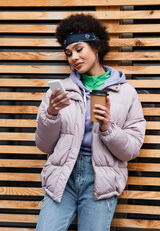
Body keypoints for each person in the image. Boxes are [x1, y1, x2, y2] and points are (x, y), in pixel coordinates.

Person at [35, 13, 146, 231]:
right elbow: (44, 145)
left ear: (96, 47)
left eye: (79, 49)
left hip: (101, 182)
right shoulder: (58, 92)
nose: (73, 57)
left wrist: (108, 128)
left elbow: (131, 150)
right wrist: (51, 115)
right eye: (68, 53)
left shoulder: (126, 92)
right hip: (62, 178)